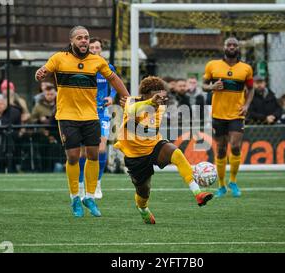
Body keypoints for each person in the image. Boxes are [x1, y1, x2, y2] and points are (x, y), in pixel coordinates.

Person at [35, 26, 130, 218]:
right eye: (80, 38)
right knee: (72, 157)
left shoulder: (97, 61)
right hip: (67, 116)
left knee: (94, 154)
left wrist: (126, 96)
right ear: (72, 41)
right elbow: (45, 70)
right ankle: (74, 197)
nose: (84, 41)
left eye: (86, 38)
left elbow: (114, 79)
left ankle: (90, 197)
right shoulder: (59, 58)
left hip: (91, 115)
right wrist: (40, 72)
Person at [114, 76, 213, 224]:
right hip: (135, 155)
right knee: (143, 191)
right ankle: (143, 209)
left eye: (162, 93)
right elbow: (132, 109)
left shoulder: (160, 106)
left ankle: (198, 193)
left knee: (177, 153)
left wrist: (154, 103)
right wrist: (149, 102)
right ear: (146, 93)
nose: (160, 97)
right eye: (156, 94)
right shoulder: (131, 101)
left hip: (154, 145)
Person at [202, 36, 254, 198]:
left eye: (234, 45)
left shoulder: (246, 68)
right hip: (218, 114)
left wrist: (246, 106)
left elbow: (251, 89)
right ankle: (222, 185)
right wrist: (212, 87)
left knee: (236, 146)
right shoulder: (212, 65)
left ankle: (233, 180)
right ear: (224, 47)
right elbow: (203, 85)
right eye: (229, 44)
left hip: (236, 114)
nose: (231, 47)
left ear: (238, 48)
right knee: (222, 149)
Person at [78, 37, 118, 200]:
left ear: (101, 50)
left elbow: (116, 84)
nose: (94, 50)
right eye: (91, 47)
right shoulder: (81, 66)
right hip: (83, 113)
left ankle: (97, 184)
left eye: (97, 47)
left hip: (101, 113)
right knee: (82, 152)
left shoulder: (107, 67)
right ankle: (81, 185)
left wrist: (112, 97)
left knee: (101, 148)